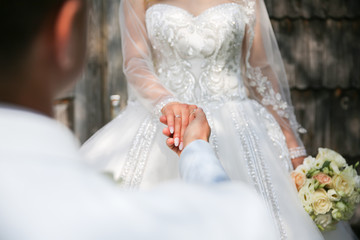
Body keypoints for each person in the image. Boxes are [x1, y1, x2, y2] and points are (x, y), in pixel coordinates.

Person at [0, 0, 280, 239]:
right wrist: (195, 148)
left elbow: (261, 67)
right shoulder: (243, 214)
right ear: (64, 29)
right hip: (168, 121)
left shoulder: (50, 202)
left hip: (238, 119)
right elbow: (234, 220)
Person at [80, 0, 358, 239]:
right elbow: (135, 63)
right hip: (167, 119)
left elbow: (260, 69)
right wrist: (168, 104)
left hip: (241, 124)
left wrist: (292, 141)